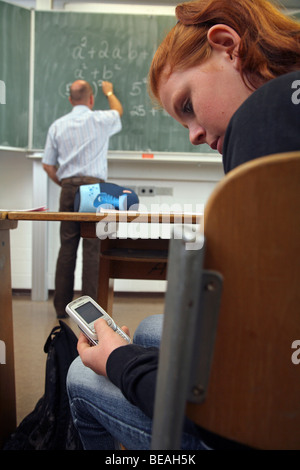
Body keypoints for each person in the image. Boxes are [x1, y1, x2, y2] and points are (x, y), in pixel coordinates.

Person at [67, 0, 300, 449]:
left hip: (270, 426)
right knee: (156, 329)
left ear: (228, 47)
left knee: (83, 371)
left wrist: (121, 362)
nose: (193, 135)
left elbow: (238, 399)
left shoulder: (262, 119)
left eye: (188, 104)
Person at [42, 80, 123, 318]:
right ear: (90, 99)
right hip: (95, 190)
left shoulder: (57, 125)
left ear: (70, 100)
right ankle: (91, 310)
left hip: (68, 188)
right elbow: (118, 110)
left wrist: (65, 184)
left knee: (67, 247)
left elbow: (47, 165)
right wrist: (109, 92)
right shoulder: (101, 119)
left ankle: (61, 308)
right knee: (93, 248)